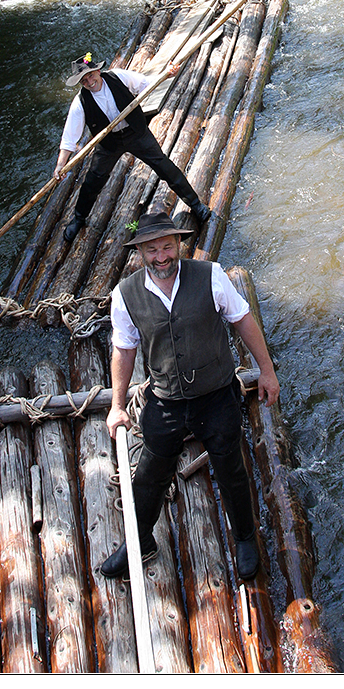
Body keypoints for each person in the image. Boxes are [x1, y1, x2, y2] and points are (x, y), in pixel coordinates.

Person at [102, 211, 280, 581]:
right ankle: (140, 541)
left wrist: (266, 371)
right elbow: (124, 348)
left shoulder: (211, 276)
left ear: (179, 245)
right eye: (152, 250)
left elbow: (243, 320)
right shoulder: (125, 295)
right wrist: (118, 406)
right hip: (166, 400)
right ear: (140, 253)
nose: (162, 256)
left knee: (231, 469)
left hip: (216, 395)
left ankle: (245, 538)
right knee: (149, 475)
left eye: (168, 246)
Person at [55, 53, 211, 242]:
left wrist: (167, 74)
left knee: (164, 166)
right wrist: (61, 164)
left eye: (90, 75)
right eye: (84, 80)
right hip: (109, 143)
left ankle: (196, 205)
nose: (89, 82)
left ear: (98, 71)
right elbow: (69, 137)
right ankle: (78, 219)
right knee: (92, 182)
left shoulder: (117, 76)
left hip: (136, 132)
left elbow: (146, 83)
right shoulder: (80, 103)